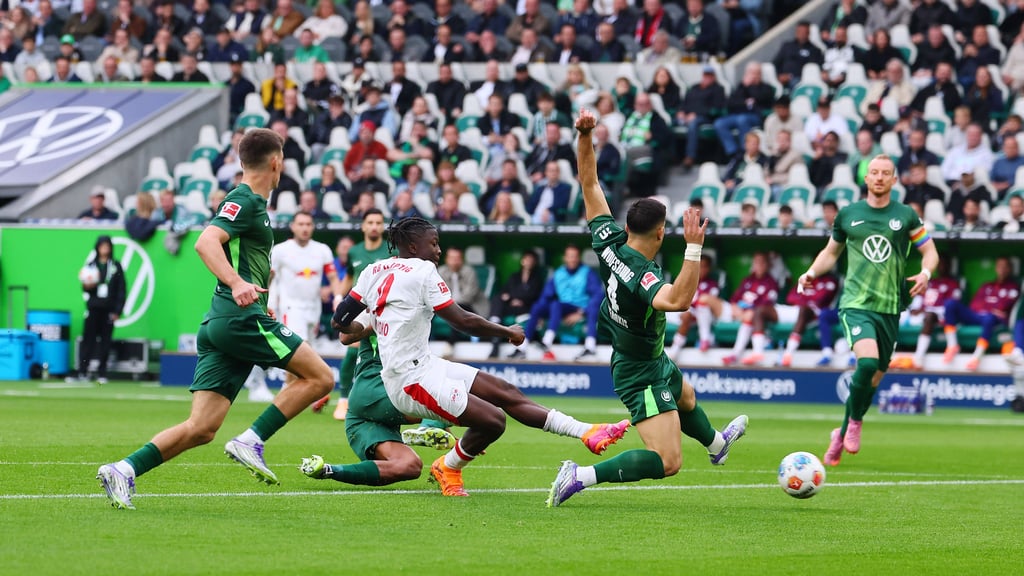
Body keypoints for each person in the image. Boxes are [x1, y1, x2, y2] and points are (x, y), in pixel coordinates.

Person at [96, 129, 336, 509]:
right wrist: (238, 282)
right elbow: (205, 241)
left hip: (226, 321)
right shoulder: (245, 200)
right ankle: (251, 440)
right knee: (321, 377)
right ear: (277, 163)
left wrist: (253, 290)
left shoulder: (250, 203)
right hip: (237, 317)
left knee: (201, 429)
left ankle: (123, 469)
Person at [332, 217, 630, 496]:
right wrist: (507, 331)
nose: (438, 250)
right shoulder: (423, 271)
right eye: (433, 243)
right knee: (494, 421)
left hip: (421, 367)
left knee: (505, 391)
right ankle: (447, 467)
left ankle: (587, 431)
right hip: (411, 381)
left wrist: (377, 324)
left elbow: (341, 326)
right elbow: (461, 320)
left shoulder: (374, 270)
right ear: (413, 247)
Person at [547, 110, 748, 508]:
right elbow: (677, 301)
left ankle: (716, 442)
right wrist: (694, 247)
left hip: (648, 357)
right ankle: (580, 475)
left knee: (686, 396)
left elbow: (589, 181)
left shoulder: (609, 242)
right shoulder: (642, 277)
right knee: (668, 461)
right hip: (639, 372)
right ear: (660, 232)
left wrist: (584, 134)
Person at [799, 154, 938, 467]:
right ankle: (855, 424)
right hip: (856, 304)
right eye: (873, 172)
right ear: (866, 178)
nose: (878, 177)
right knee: (868, 362)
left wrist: (926, 273)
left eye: (885, 173)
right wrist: (811, 272)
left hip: (890, 307)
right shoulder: (849, 214)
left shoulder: (906, 216)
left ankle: (843, 430)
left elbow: (930, 251)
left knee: (875, 376)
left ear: (894, 179)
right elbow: (830, 252)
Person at [300, 311, 457, 487]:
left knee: (410, 466)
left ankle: (327, 470)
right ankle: (428, 426)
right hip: (374, 388)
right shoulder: (380, 304)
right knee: (452, 398)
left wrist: (445, 426)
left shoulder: (414, 313)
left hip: (366, 416)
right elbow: (345, 337)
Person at [321, 209, 391, 420]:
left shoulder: (391, 250)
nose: (374, 226)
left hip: (386, 308)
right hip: (362, 308)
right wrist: (338, 296)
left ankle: (383, 398)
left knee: (383, 355)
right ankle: (343, 400)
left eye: (378, 223)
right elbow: (349, 278)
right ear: (363, 226)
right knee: (352, 348)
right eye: (370, 222)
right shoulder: (355, 252)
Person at [265, 210, 344, 390]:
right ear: (293, 226)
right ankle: (289, 390)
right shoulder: (280, 250)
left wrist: (337, 297)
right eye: (301, 224)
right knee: (297, 350)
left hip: (313, 308)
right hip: (290, 307)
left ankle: (297, 391)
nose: (305, 228)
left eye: (308, 224)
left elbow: (332, 277)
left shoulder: (322, 250)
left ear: (313, 227)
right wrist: (266, 301)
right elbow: (269, 277)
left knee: (305, 353)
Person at [509, 245, 604, 361]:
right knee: (538, 307)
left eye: (574, 256)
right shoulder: (559, 273)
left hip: (580, 308)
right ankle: (522, 347)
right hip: (563, 307)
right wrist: (541, 314)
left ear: (579, 258)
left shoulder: (587, 272)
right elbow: (546, 295)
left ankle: (588, 348)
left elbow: (598, 295)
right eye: (570, 256)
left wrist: (582, 313)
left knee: (558, 304)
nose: (572, 259)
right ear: (565, 258)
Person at [942, 256, 1021, 371]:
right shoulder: (987, 285)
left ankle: (976, 356)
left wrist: (989, 308)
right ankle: (952, 345)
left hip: (995, 320)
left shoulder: (1013, 287)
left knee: (989, 318)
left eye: (1005, 267)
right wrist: (991, 308)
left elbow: (1005, 306)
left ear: (1010, 269)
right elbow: (974, 305)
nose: (1002, 269)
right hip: (978, 315)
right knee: (950, 304)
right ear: (996, 268)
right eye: (999, 266)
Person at [67, 236, 125, 385]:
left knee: (106, 341)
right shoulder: (91, 265)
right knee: (88, 340)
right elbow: (84, 286)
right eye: (102, 246)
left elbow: (121, 289)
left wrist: (118, 310)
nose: (104, 249)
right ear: (97, 247)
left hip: (108, 309)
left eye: (107, 246)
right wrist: (88, 285)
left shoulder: (116, 266)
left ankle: (102, 372)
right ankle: (83, 370)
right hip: (93, 308)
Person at [488, 250, 544, 358]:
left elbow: (534, 295)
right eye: (527, 259)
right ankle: (495, 333)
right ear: (522, 261)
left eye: (531, 260)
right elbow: (505, 291)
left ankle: (517, 348)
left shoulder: (537, 279)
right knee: (497, 300)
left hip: (526, 307)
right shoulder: (515, 276)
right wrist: (512, 299)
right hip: (512, 305)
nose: (529, 262)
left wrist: (518, 299)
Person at [666, 254, 720, 359]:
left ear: (709, 268)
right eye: (699, 266)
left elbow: (708, 305)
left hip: (697, 315)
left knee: (688, 314)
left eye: (704, 266)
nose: (701, 269)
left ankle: (675, 349)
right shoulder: (687, 281)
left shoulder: (712, 285)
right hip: (676, 310)